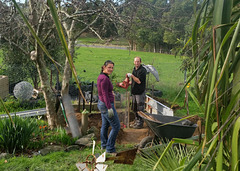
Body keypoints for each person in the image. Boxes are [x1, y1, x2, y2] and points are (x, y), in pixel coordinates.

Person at [97, 60, 120, 153]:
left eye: (112, 67)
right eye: (109, 67)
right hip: (106, 105)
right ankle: (110, 148)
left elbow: (104, 92)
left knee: (105, 125)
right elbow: (104, 94)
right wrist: (109, 108)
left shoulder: (102, 76)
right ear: (104, 67)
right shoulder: (105, 79)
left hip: (102, 103)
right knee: (116, 126)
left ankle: (104, 144)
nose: (111, 69)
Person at [127, 57, 147, 129]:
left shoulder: (142, 71)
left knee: (140, 107)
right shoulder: (134, 70)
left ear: (140, 62)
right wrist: (128, 83)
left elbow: (138, 81)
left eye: (138, 61)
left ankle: (140, 123)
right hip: (134, 92)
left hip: (140, 92)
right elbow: (134, 80)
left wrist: (132, 76)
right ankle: (136, 121)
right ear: (134, 62)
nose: (136, 63)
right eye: (135, 61)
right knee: (134, 107)